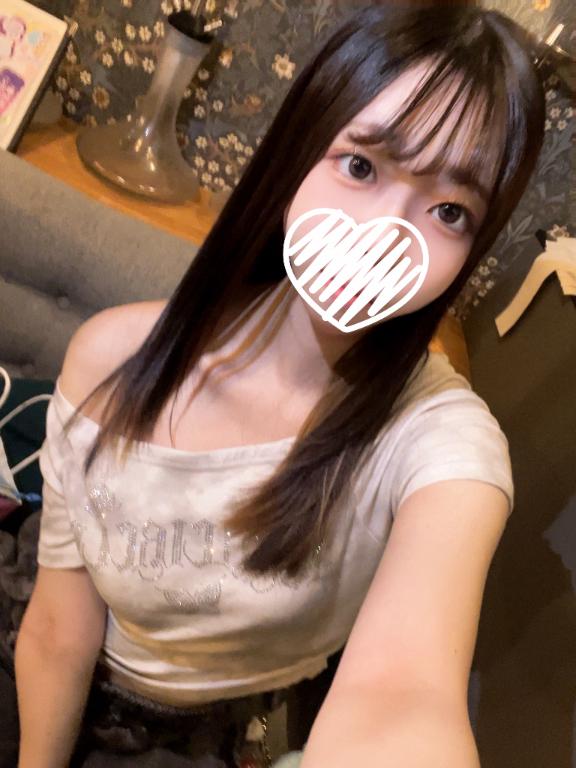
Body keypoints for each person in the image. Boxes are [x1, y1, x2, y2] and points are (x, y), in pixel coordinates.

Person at [13, 3, 544, 767]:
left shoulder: (436, 443)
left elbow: (403, 699)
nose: (382, 235)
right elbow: (58, 628)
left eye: (450, 211)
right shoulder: (113, 355)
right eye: (360, 166)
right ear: (296, 154)